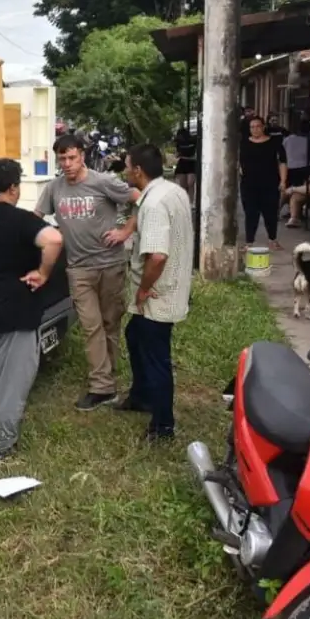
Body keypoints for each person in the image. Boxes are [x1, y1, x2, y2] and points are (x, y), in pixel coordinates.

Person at [0, 159, 64, 462]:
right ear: (13, 188)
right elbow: (54, 239)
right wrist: (42, 274)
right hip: (16, 313)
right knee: (10, 385)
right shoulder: (19, 220)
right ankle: (1, 449)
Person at [35, 134, 140, 411]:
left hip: (110, 264)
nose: (67, 164)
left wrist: (125, 231)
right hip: (79, 268)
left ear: (82, 155)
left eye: (72, 157)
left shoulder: (103, 181)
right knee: (91, 326)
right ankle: (102, 387)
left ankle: (107, 374)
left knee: (110, 323)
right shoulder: (54, 188)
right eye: (62, 159)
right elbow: (36, 218)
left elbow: (141, 199)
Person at [116, 145, 194, 442]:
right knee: (134, 337)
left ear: (138, 170)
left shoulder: (154, 204)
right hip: (168, 286)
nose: (125, 170)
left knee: (155, 357)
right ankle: (141, 396)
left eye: (126, 165)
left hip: (157, 294)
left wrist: (144, 289)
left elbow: (157, 256)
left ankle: (163, 426)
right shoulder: (173, 191)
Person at [239, 117, 287, 251]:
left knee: (270, 212)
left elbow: (282, 162)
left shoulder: (275, 142)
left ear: (263, 127)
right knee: (250, 213)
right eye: (252, 127)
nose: (255, 129)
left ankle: (273, 240)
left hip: (270, 183)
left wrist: (283, 181)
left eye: (258, 126)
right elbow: (238, 160)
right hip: (249, 184)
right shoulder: (244, 143)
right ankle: (249, 242)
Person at [172, 126, 196, 203]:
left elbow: (195, 154)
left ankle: (191, 202)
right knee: (182, 185)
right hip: (182, 163)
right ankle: (184, 202)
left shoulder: (193, 141)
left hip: (191, 163)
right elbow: (177, 154)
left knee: (190, 183)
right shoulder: (178, 143)